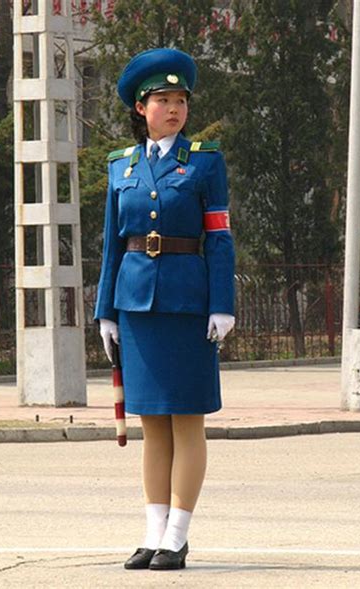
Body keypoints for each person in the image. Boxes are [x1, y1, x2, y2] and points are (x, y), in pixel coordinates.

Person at [94, 47, 235, 571]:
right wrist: (105, 311)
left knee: (186, 421)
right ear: (140, 108)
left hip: (187, 303)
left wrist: (223, 303)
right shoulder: (121, 167)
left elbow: (219, 236)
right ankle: (153, 535)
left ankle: (178, 536)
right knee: (152, 422)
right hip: (135, 305)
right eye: (162, 100)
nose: (173, 108)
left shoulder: (203, 161)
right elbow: (112, 243)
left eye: (180, 100)